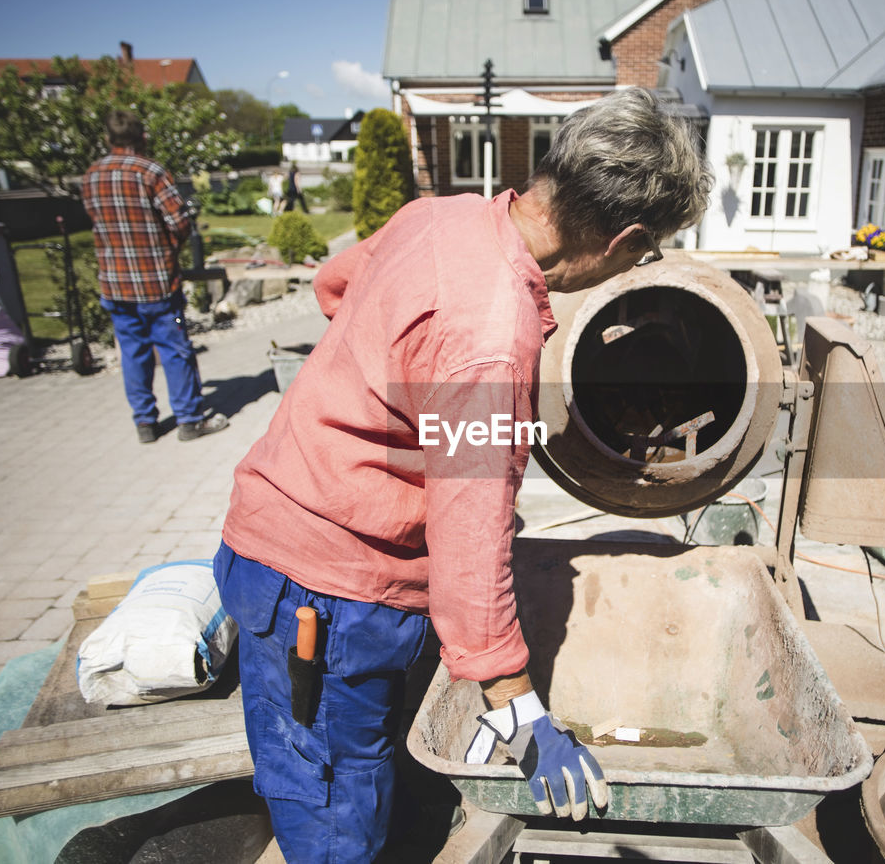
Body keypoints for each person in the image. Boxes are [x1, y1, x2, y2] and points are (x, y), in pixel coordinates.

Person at [213, 87, 712, 862]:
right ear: (625, 238)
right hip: (328, 594)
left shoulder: (439, 215)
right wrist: (518, 711)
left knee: (341, 778)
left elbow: (335, 286)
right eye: (646, 255)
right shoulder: (490, 336)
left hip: (275, 536)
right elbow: (471, 551)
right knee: (334, 809)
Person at [82, 109, 229, 443]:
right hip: (155, 282)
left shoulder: (92, 175)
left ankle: (145, 423)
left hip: (115, 282)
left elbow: (93, 220)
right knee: (174, 350)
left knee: (133, 352)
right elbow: (179, 221)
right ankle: (190, 420)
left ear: (108, 139)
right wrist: (170, 246)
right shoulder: (151, 172)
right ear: (142, 138)